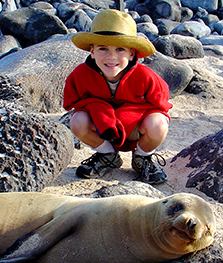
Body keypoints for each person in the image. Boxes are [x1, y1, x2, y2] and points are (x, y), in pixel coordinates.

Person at [63, 9, 173, 184]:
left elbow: (162, 106)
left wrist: (128, 116)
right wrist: (99, 109)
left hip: (136, 129)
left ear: (131, 53)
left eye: (120, 49)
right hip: (102, 128)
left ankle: (142, 158)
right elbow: (72, 102)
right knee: (77, 121)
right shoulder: (80, 75)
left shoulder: (146, 76)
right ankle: (107, 155)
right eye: (103, 48)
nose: (111, 56)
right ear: (92, 51)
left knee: (159, 123)